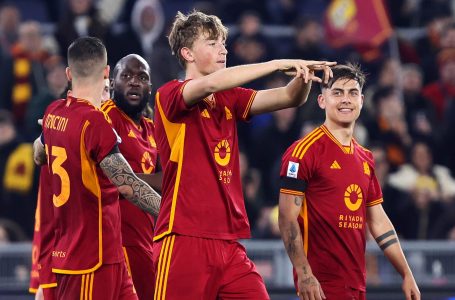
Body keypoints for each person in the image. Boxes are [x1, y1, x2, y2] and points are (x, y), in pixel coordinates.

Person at [153, 10, 335, 300]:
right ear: (187, 53)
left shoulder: (229, 97)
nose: (223, 49)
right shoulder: (170, 95)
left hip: (228, 242)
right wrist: (278, 63)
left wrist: (304, 76)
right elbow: (210, 84)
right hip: (183, 237)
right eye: (212, 43)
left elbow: (290, 97)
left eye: (223, 42)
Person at [278, 63, 420, 300]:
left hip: (355, 284)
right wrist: (304, 274)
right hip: (320, 285)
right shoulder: (303, 151)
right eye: (337, 92)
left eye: (352, 93)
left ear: (362, 101)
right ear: (322, 101)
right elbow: (286, 218)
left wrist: (406, 273)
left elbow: (378, 221)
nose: (346, 100)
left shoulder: (365, 157)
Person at [34, 37, 161, 300]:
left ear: (69, 73)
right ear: (106, 73)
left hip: (108, 254)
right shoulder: (96, 122)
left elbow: (39, 154)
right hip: (90, 257)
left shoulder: (52, 113)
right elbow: (127, 185)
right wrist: (176, 214)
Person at [100, 54, 159, 300]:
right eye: (126, 76)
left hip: (147, 240)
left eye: (141, 77)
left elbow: (170, 177)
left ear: (149, 87)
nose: (134, 82)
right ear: (113, 83)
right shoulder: (106, 116)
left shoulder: (152, 128)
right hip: (117, 242)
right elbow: (108, 175)